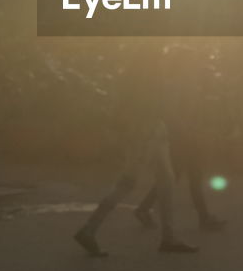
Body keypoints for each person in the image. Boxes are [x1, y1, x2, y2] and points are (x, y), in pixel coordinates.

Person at [74, 44, 199, 257]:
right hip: (149, 132)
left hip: (149, 132)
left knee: (166, 182)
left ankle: (168, 237)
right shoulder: (150, 78)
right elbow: (160, 106)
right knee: (129, 183)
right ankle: (89, 229)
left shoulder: (134, 76)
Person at [134, 46, 227, 232]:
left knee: (176, 175)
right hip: (183, 135)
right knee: (192, 175)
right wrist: (187, 130)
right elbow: (171, 112)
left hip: (186, 133)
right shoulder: (178, 84)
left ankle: (144, 208)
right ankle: (203, 217)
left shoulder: (187, 82)